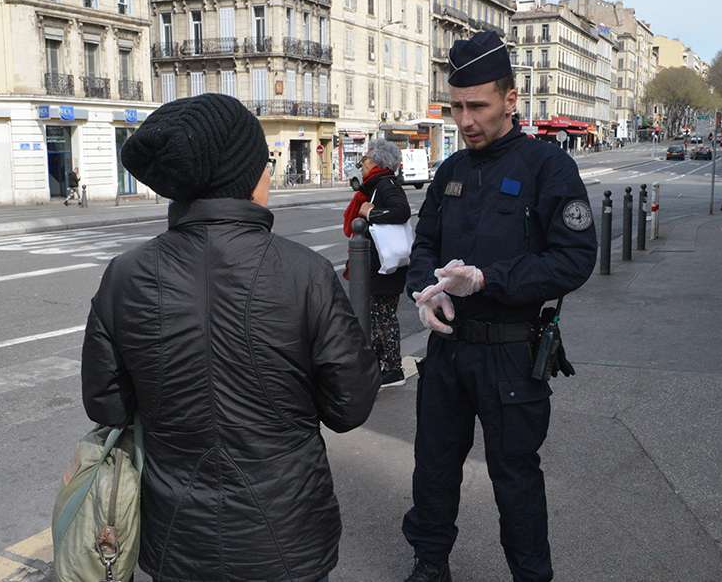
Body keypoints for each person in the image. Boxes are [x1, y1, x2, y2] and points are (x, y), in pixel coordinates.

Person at [80, 93, 380, 582]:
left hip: (177, 538)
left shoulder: (125, 276)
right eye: (264, 160)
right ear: (242, 174)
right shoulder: (305, 272)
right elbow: (350, 407)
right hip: (288, 536)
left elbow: (105, 405)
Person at [401, 31, 598, 582]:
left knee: (515, 477)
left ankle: (531, 576)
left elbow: (573, 259)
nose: (465, 121)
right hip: (447, 354)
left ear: (511, 100)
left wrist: (487, 279)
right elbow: (424, 247)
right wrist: (424, 291)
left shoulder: (547, 168)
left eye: (478, 106)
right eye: (456, 106)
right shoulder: (450, 172)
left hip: (511, 355)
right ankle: (429, 563)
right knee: (434, 467)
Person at [343, 139, 412, 388]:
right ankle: (382, 365)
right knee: (379, 316)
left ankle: (392, 369)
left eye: (364, 161)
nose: (361, 166)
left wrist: (370, 213)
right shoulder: (378, 184)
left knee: (383, 317)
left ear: (376, 163)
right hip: (384, 263)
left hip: (385, 265)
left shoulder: (384, 184)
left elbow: (401, 211)